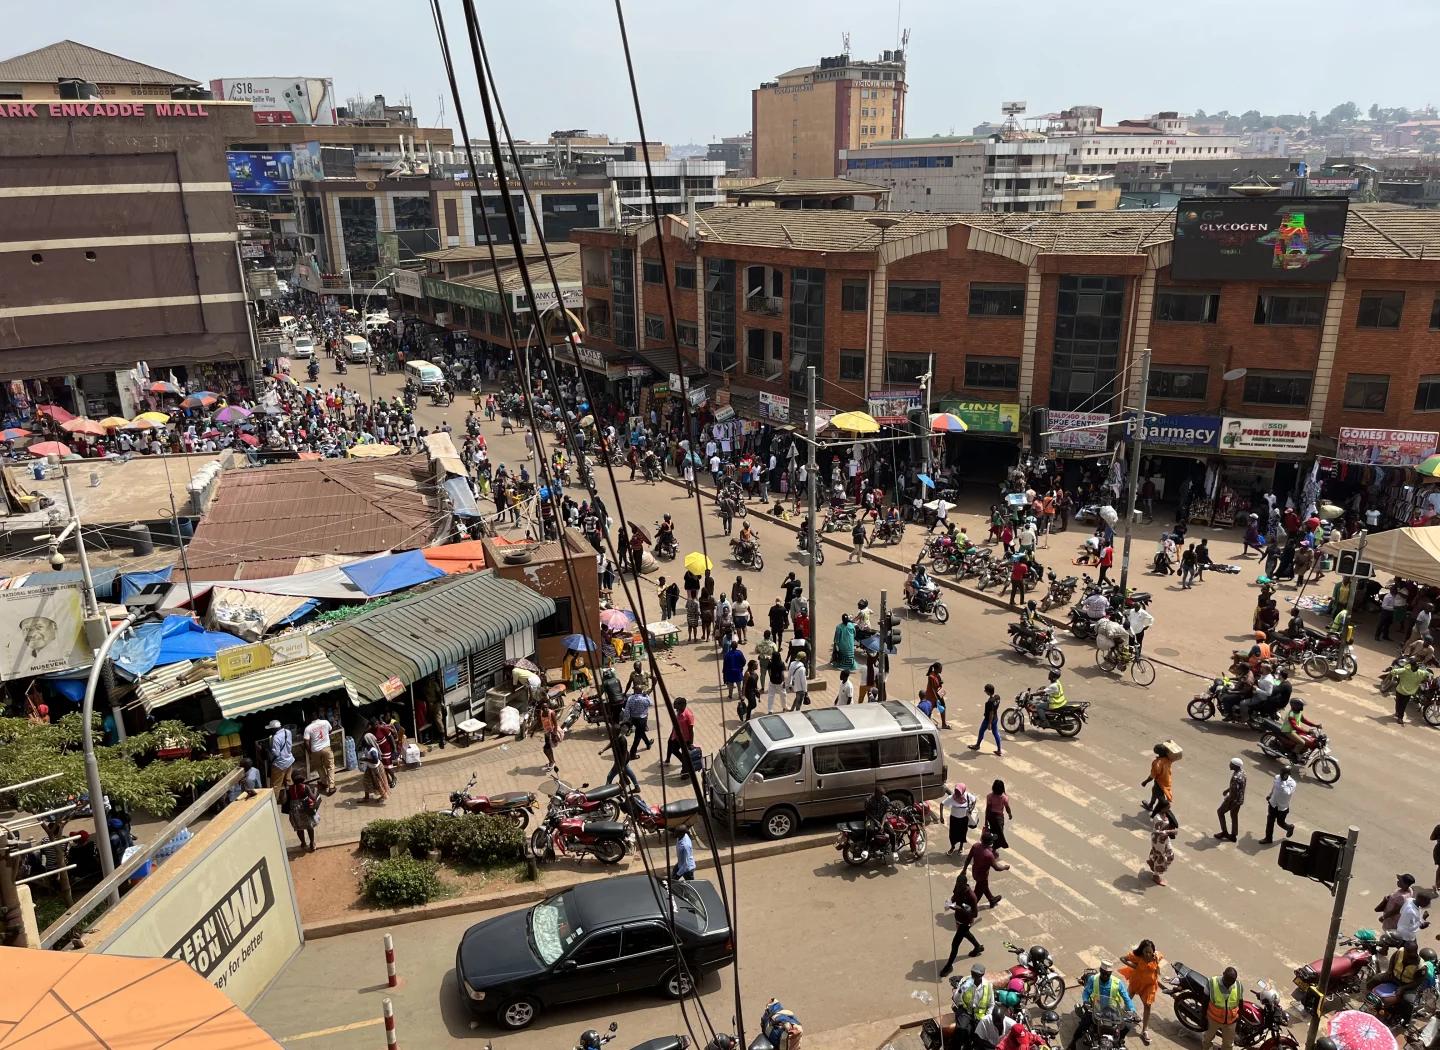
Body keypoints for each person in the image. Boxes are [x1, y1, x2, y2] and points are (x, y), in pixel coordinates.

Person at [1067, 961, 1135, 1050]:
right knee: (1083, 1024)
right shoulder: (1093, 979)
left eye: (1108, 974)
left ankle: (1118, 1041)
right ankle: (1073, 1042)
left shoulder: (1118, 983)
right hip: (1095, 1009)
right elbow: (1086, 992)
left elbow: (1127, 998)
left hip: (1111, 1010)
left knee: (1127, 1026)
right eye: (1103, 973)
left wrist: (1132, 1011)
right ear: (1100, 970)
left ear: (1111, 973)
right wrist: (1086, 1001)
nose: (1105, 976)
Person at [938, 871, 983, 976]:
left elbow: (975, 914)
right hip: (958, 918)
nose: (958, 887)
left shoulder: (971, 896)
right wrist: (949, 903)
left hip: (966, 922)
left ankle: (949, 966)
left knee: (955, 944)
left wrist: (961, 909)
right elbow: (954, 896)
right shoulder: (958, 888)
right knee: (966, 934)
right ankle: (978, 947)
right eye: (957, 884)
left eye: (960, 886)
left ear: (965, 884)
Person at [1120, 940, 1163, 1046]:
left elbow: (1160, 962)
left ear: (1153, 951)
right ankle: (1122, 1018)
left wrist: (1157, 962)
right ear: (1142, 951)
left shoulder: (1156, 957)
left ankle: (1144, 1030)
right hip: (1136, 982)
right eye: (1146, 952)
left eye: (1150, 952)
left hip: (1149, 985)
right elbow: (1122, 958)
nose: (1148, 954)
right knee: (1128, 1000)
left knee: (1148, 1005)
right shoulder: (1136, 957)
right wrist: (1133, 966)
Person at [953, 962, 996, 1046]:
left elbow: (991, 1004)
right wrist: (960, 990)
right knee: (961, 1030)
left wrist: (987, 1017)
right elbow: (956, 999)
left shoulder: (988, 985)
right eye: (972, 974)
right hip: (966, 1011)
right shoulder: (965, 981)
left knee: (978, 1036)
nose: (973, 977)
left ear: (981, 975)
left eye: (976, 975)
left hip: (980, 1015)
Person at [1203, 968, 1243, 1050]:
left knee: (1228, 1044)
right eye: (1227, 981)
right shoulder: (1212, 982)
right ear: (1223, 974)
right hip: (1213, 1019)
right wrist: (1203, 1017)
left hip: (1231, 1022)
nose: (1228, 985)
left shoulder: (1238, 986)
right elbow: (1205, 1000)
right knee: (1207, 1039)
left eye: (1231, 982)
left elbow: (1240, 1004)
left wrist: (1239, 1021)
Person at [284, 768, 321, 852]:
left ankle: (303, 843)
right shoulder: (305, 787)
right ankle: (312, 844)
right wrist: (315, 790)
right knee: (309, 826)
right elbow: (313, 798)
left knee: (299, 828)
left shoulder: (290, 789)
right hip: (305, 808)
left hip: (294, 810)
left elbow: (286, 800)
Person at [1259, 761, 1296, 844]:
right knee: (1270, 821)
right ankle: (1268, 838)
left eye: (1284, 774)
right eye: (1282, 773)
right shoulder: (1277, 777)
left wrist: (1283, 782)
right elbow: (1274, 788)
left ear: (1288, 774)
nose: (1282, 776)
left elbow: (1287, 793)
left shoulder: (1292, 783)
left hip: (1282, 807)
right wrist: (1270, 795)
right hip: (1273, 804)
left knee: (1280, 822)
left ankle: (1289, 827)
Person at [1146, 798, 1178, 886]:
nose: (1169, 808)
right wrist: (1170, 832)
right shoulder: (1158, 818)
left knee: (1170, 856)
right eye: (1168, 807)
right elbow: (1156, 831)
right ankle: (1156, 876)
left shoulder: (1166, 813)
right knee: (1160, 858)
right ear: (1162, 808)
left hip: (1165, 838)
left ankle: (1152, 861)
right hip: (1158, 840)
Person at [302, 713, 336, 795]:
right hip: (326, 748)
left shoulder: (308, 728)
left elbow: (306, 742)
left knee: (319, 767)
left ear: (309, 718)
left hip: (315, 750)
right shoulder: (325, 722)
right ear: (318, 716)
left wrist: (310, 752)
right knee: (330, 766)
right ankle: (331, 786)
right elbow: (330, 730)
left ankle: (325, 783)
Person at [1215, 757, 1246, 842]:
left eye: (1231, 764)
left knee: (1220, 812)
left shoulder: (1236, 777)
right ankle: (1233, 835)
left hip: (1233, 800)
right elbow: (1237, 787)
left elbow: (1234, 792)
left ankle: (1224, 832)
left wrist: (1227, 799)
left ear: (1235, 766)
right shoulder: (1242, 773)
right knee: (1234, 815)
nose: (1229, 765)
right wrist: (1227, 790)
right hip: (1240, 799)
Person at [1392, 659, 1433, 724]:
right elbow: (1430, 674)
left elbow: (1393, 671)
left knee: (1401, 704)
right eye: (1415, 666)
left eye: (1416, 666)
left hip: (1404, 691)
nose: (1416, 667)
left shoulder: (1409, 671)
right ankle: (1398, 714)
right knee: (1400, 703)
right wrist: (1429, 678)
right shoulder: (1410, 671)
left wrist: (1429, 678)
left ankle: (1399, 716)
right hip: (1403, 691)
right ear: (1411, 666)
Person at [1377, 874, 1417, 938]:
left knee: (1389, 933)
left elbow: (1396, 911)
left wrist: (1384, 917)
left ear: (1405, 884)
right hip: (1396, 917)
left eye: (1400, 881)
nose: (1398, 881)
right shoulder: (1410, 890)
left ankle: (1387, 941)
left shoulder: (1402, 897)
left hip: (1392, 919)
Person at [665, 697, 697, 777]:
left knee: (685, 755)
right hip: (677, 736)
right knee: (673, 749)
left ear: (683, 705)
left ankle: (686, 772)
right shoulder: (678, 711)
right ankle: (685, 763)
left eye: (676, 704)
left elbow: (691, 730)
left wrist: (691, 743)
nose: (674, 705)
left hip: (685, 739)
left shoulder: (688, 715)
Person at [970, 683, 1004, 756]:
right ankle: (999, 750)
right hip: (995, 718)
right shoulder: (997, 697)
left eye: (985, 690)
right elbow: (994, 709)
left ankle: (977, 745)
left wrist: (989, 723)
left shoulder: (990, 702)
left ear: (988, 692)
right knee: (995, 733)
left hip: (988, 720)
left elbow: (991, 713)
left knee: (981, 731)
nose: (984, 691)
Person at [1141, 743, 1175, 815]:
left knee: (1159, 795)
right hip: (1167, 780)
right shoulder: (1168, 759)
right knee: (1154, 791)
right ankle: (1150, 805)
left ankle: (1165, 806)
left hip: (1160, 782)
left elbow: (1152, 776)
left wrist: (1145, 782)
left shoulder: (1157, 763)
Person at [944, 782, 977, 854]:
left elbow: (974, 800)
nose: (957, 794)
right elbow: (942, 804)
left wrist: (971, 809)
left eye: (959, 792)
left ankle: (961, 847)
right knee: (952, 835)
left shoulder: (968, 796)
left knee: (962, 834)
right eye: (956, 792)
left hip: (964, 819)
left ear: (963, 791)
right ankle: (952, 847)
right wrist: (941, 817)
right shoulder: (952, 797)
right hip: (954, 819)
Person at [266, 719, 295, 800]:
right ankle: (293, 796)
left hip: (279, 764)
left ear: (274, 729)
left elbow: (276, 753)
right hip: (289, 760)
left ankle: (275, 800)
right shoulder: (287, 732)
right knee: (288, 780)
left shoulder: (275, 738)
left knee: (275, 785)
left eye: (271, 729)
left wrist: (269, 751)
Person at [358, 730, 389, 803]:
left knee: (379, 783)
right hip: (370, 767)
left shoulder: (373, 751)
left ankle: (383, 796)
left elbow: (375, 761)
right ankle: (366, 798)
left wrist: (365, 759)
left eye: (364, 740)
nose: (362, 741)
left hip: (376, 769)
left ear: (368, 741)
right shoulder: (367, 748)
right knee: (366, 781)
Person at [984, 779, 1012, 849]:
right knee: (999, 832)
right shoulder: (1005, 798)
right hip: (999, 818)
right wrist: (1009, 814)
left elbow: (988, 809)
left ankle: (993, 845)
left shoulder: (989, 796)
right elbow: (1007, 807)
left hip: (991, 817)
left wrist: (986, 820)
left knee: (993, 831)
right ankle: (996, 847)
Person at [625, 690, 653, 758]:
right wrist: (647, 695)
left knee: (641, 732)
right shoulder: (644, 698)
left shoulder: (630, 698)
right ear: (641, 691)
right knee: (637, 737)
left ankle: (648, 743)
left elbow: (627, 709)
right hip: (642, 720)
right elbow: (651, 703)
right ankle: (632, 753)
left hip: (634, 719)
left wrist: (628, 718)